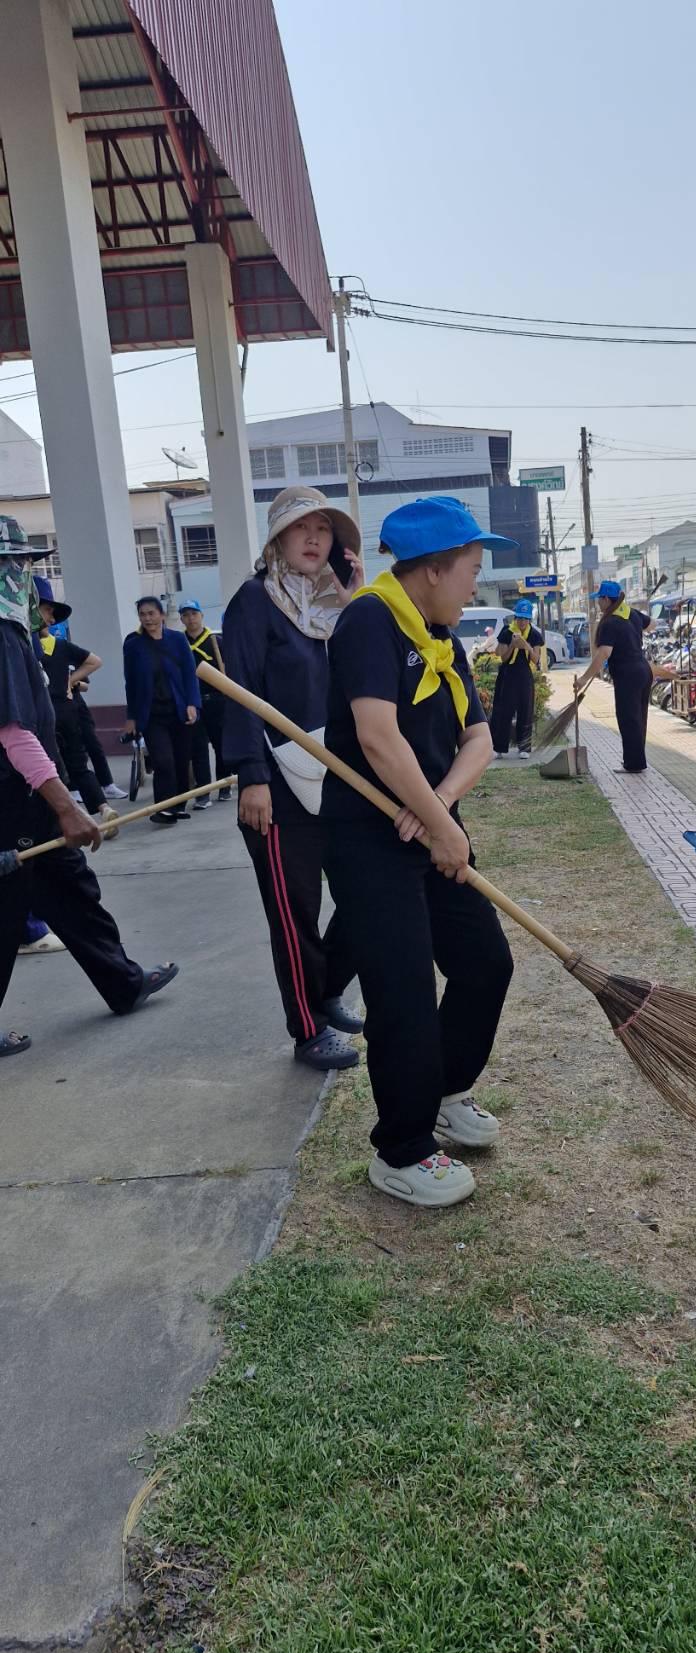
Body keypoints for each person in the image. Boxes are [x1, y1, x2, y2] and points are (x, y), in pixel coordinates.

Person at [318, 495, 516, 1207]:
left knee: (485, 963)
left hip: (431, 829)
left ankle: (443, 1091)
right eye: (470, 566)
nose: (475, 580)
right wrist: (438, 819)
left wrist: (437, 811)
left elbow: (480, 739)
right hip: (367, 838)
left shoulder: (443, 636)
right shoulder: (368, 621)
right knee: (401, 989)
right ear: (432, 569)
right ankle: (400, 1150)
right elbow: (376, 736)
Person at [0, 520, 177, 1057]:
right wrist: (67, 808)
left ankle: (123, 983)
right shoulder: (4, 637)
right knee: (9, 911)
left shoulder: (18, 635)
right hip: (16, 804)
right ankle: (123, 982)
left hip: (28, 801)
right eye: (18, 566)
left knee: (73, 893)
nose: (25, 577)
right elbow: (12, 732)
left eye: (28, 566)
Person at [221, 486, 364, 1072]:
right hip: (277, 785)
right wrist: (251, 776)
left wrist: (358, 600)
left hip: (338, 777)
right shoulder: (254, 603)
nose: (313, 538)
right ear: (277, 538)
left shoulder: (341, 607)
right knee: (294, 909)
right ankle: (307, 1028)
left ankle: (326, 988)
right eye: (300, 527)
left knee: (363, 891)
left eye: (324, 529)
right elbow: (239, 695)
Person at [31, 575, 109, 818]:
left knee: (53, 770)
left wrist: (71, 680)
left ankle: (78, 815)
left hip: (48, 715)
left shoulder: (38, 645)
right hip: (62, 711)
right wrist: (72, 681)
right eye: (48, 611)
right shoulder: (29, 643)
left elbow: (95, 662)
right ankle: (101, 809)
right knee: (74, 766)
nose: (51, 619)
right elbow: (94, 662)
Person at [122, 596, 200, 825]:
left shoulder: (177, 640)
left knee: (181, 759)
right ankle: (163, 808)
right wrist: (132, 717)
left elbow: (189, 673)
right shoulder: (133, 645)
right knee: (163, 761)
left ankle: (178, 806)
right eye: (143, 614)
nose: (148, 619)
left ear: (162, 615)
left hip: (179, 710)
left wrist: (192, 703)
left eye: (151, 613)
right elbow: (131, 683)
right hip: (152, 714)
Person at [575, 579, 652, 774]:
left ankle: (633, 764)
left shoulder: (610, 622)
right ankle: (637, 760)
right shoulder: (631, 614)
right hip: (643, 671)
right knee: (639, 717)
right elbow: (652, 624)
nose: (598, 603)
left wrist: (584, 679)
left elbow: (604, 653)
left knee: (628, 718)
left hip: (628, 674)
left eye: (599, 599)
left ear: (607, 600)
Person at [179, 599, 231, 805]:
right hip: (192, 702)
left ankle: (224, 786)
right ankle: (203, 792)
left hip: (217, 700)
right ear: (181, 618)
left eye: (194, 613)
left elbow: (228, 668)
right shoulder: (179, 642)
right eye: (186, 615)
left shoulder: (216, 641)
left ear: (201, 615)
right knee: (197, 748)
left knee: (221, 746)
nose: (190, 618)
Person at [489, 596, 542, 758]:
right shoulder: (507, 632)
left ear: (529, 620)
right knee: (503, 711)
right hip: (507, 675)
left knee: (525, 710)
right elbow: (503, 658)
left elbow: (536, 659)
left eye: (526, 619)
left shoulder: (534, 634)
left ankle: (524, 748)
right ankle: (498, 748)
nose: (522, 622)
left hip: (524, 675)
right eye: (520, 618)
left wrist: (526, 645)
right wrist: (512, 645)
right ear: (515, 617)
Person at [75, 684, 127, 798]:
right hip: (57, 705)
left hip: (77, 704)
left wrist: (71, 682)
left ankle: (107, 784)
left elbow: (85, 686)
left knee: (94, 745)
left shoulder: (73, 666)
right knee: (72, 751)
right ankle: (74, 789)